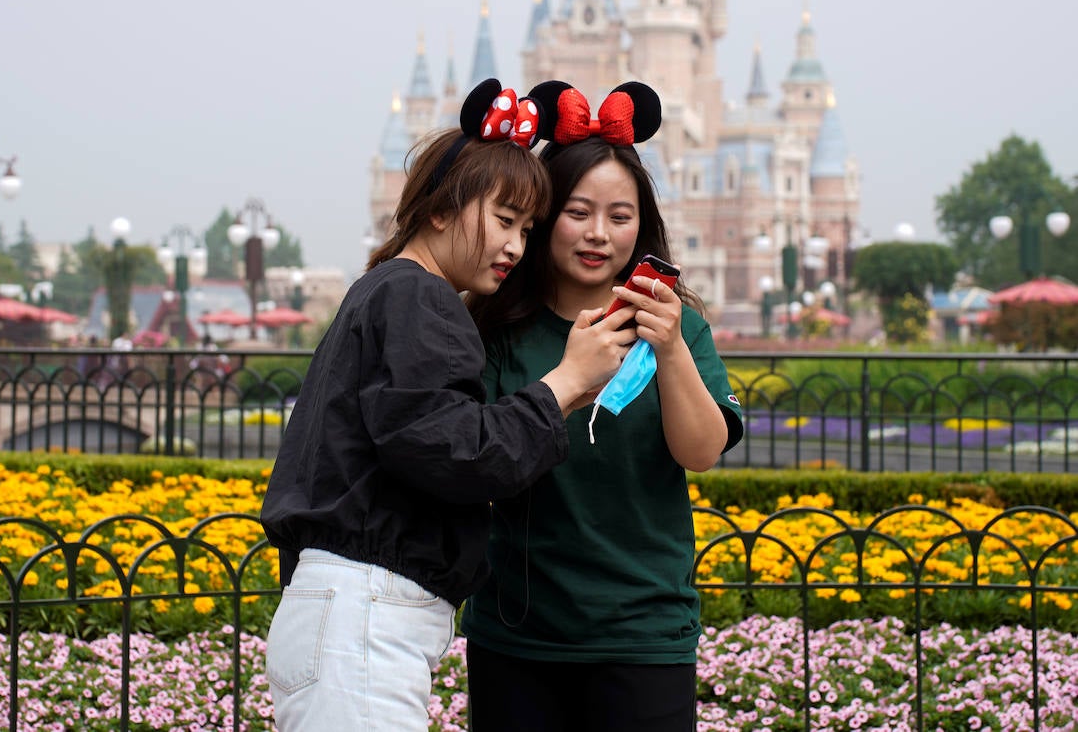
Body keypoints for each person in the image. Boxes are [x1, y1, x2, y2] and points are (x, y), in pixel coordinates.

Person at [260, 81, 632, 731]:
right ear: (441, 209)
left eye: (527, 228)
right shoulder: (419, 299)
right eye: (505, 219)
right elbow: (452, 450)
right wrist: (567, 382)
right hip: (363, 616)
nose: (516, 246)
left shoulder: (389, 291)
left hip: (349, 611)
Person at [462, 81, 745, 732]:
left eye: (619, 217)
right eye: (577, 211)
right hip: (518, 636)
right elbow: (478, 457)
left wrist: (668, 345)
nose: (598, 234)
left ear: (641, 225)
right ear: (542, 216)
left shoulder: (681, 328)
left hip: (643, 637)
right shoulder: (498, 329)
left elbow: (700, 453)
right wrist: (569, 376)